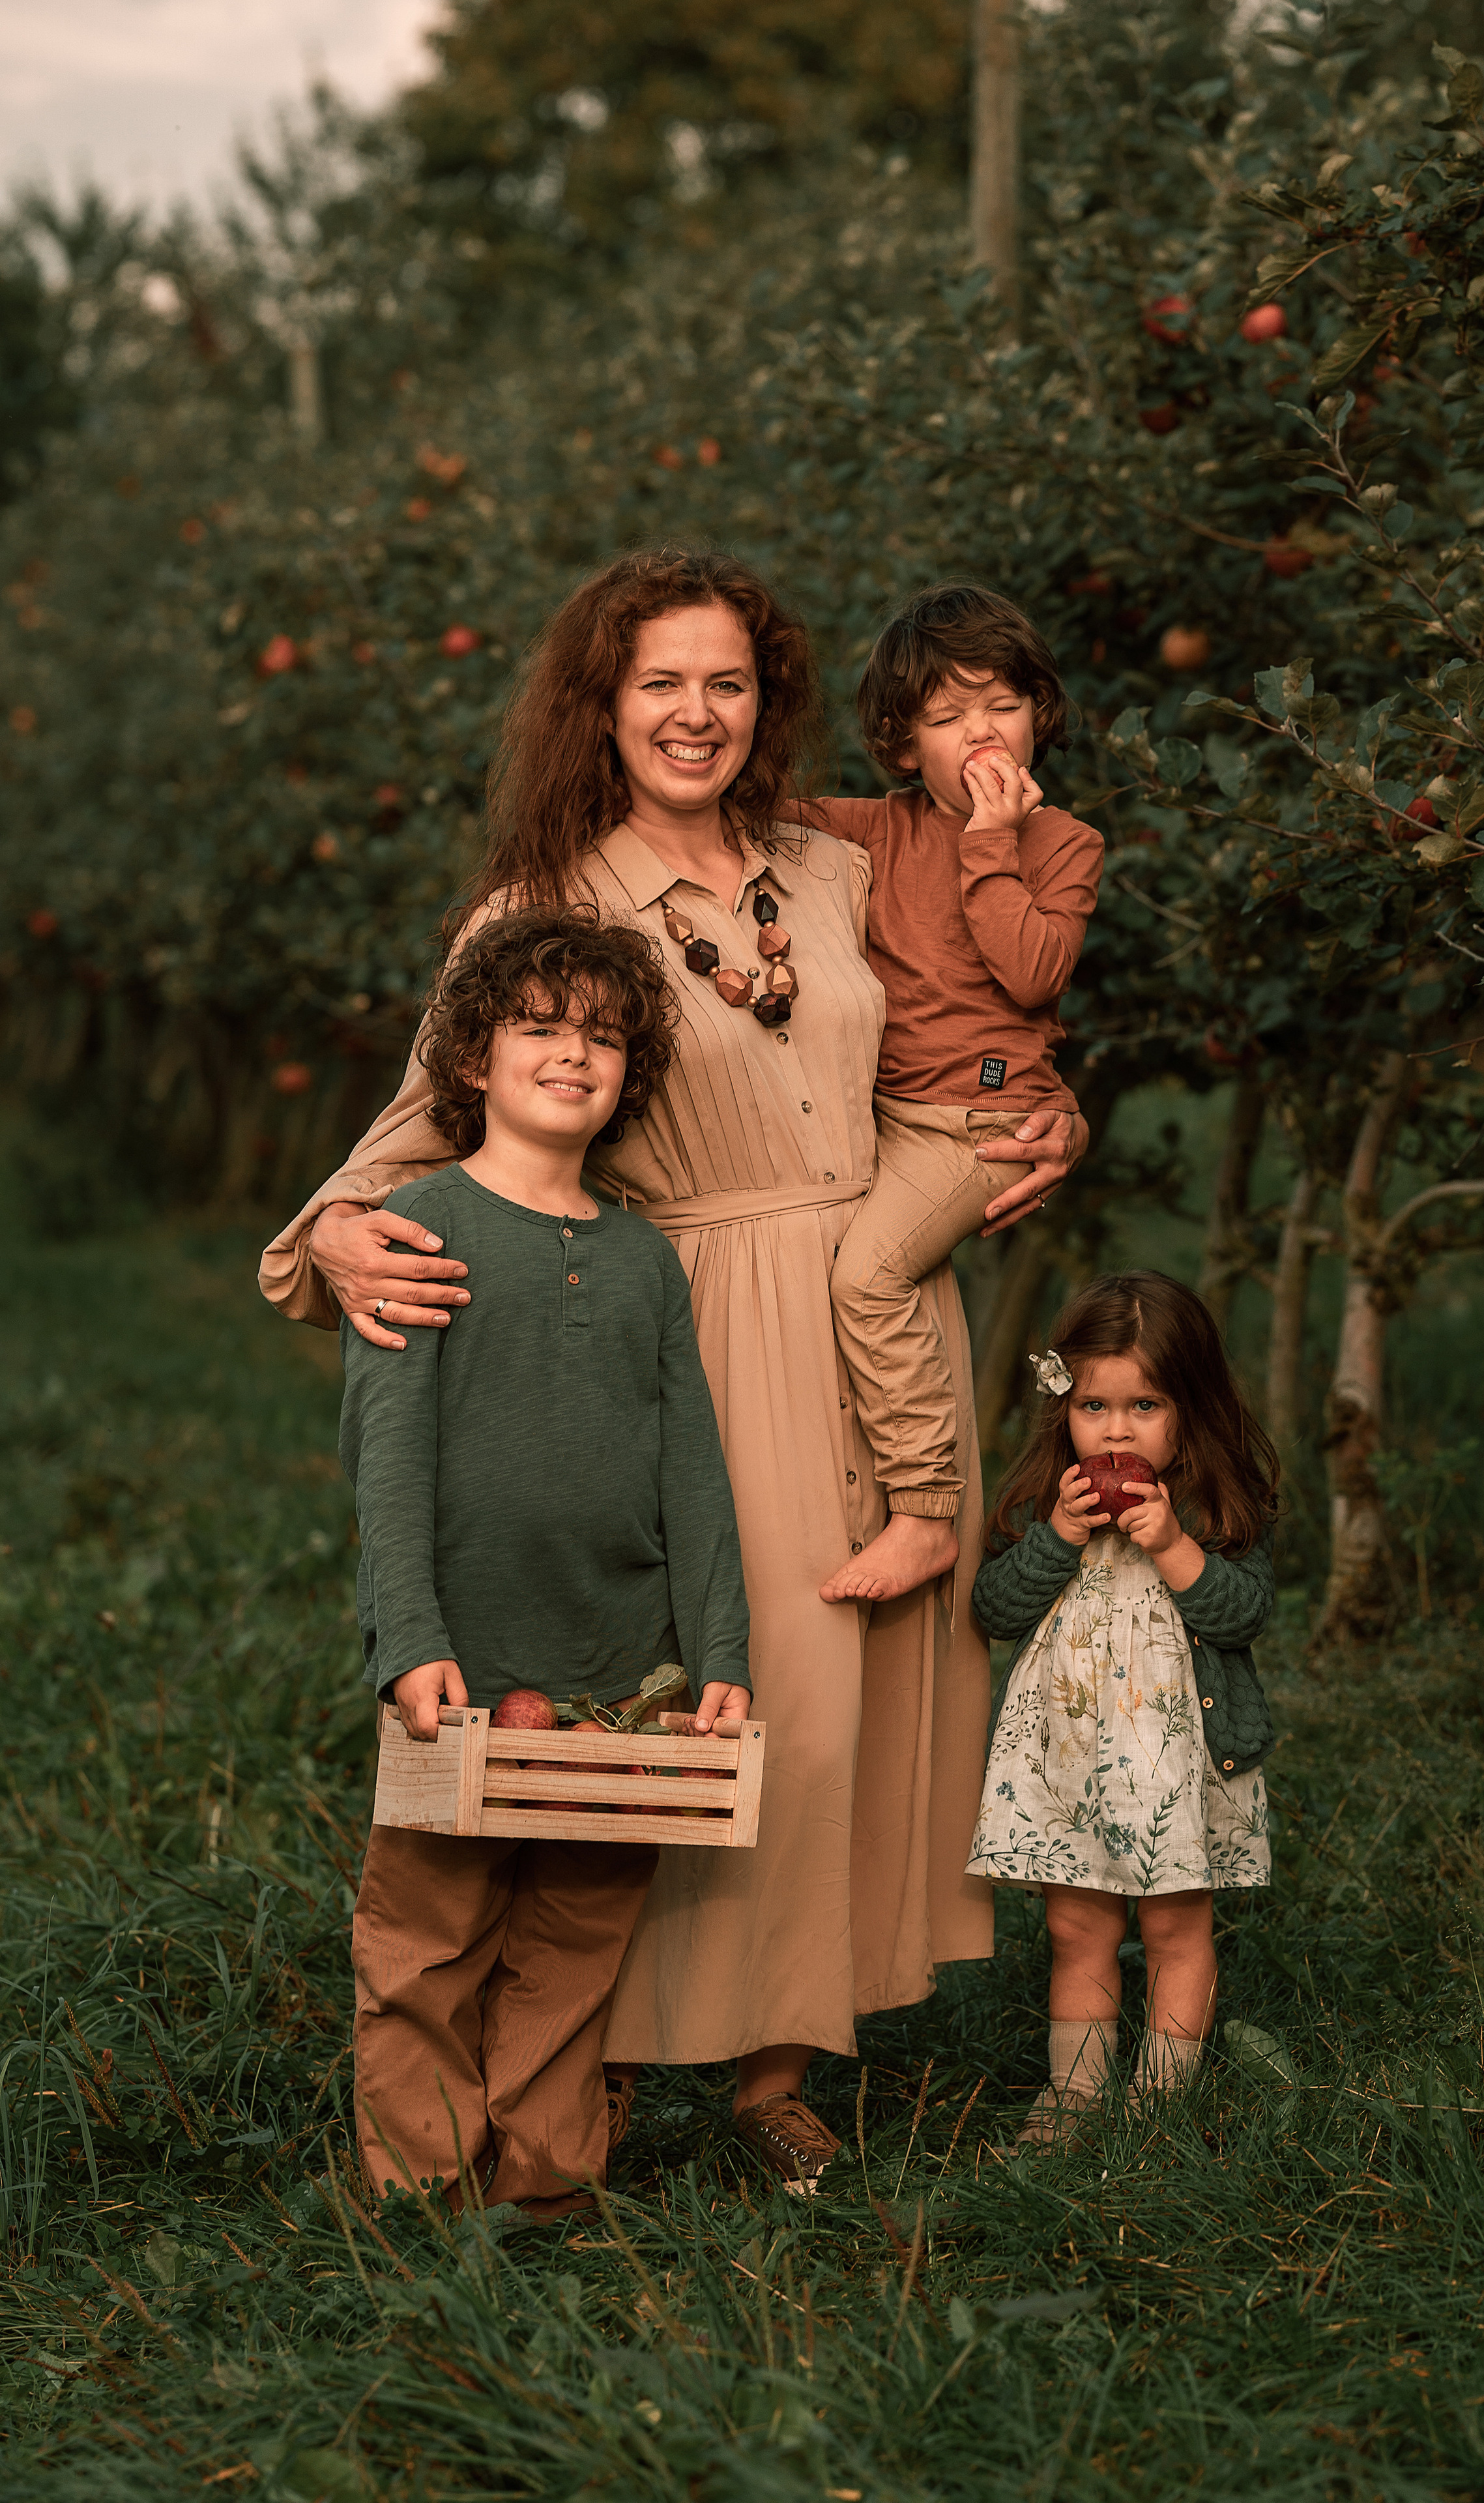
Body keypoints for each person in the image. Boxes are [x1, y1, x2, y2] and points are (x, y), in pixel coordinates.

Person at [261, 548, 1086, 2193]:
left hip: (878, 1312)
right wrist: (326, 1240)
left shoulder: (838, 862)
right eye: (660, 682)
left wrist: (1045, 1113)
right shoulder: (545, 909)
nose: (696, 713)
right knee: (725, 1702)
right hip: (692, 1325)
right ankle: (608, 2060)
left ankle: (777, 2071)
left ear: (764, 698)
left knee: (849, 1725)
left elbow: (970, 1007)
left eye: (727, 681)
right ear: (602, 704)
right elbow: (426, 1123)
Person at [344, 905, 752, 2218]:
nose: (571, 1054)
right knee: (430, 1934)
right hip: (463, 1657)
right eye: (537, 1027)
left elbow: (693, 1468)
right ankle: (418, 2190)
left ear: (631, 1071)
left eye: (603, 1036)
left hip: (616, 1665)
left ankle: (543, 2184)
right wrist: (409, 1638)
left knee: (577, 1932)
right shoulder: (419, 1227)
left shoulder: (641, 1260)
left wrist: (718, 1654)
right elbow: (388, 1463)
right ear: (470, 1059)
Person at [809, 585, 1103, 1606]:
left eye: (1002, 707)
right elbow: (742, 814)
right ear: (901, 747)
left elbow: (1032, 975)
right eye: (946, 717)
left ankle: (930, 1512)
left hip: (985, 1125)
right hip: (888, 1122)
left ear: (1041, 715)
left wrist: (989, 843)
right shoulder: (868, 831)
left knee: (868, 1281)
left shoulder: (1063, 844)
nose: (980, 735)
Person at [965, 1271, 1279, 2148]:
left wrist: (1175, 1544)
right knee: (1076, 1925)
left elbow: (1244, 1614)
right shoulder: (1047, 1502)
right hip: (1069, 1760)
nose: (1115, 1430)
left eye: (1144, 1405)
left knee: (1177, 1922)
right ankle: (1073, 2097)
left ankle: (1162, 2101)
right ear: (1064, 1407)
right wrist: (1056, 1539)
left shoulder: (1215, 1507)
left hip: (1180, 1764)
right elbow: (994, 1611)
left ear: (1193, 1405)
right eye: (1095, 1407)